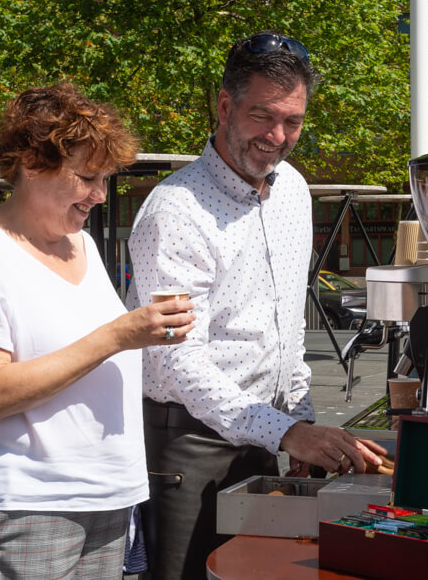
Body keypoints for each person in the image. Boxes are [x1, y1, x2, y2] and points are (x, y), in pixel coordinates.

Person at [128, 32, 385, 579]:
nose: (278, 136)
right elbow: (178, 362)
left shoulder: (293, 189)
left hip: (264, 433)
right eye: (262, 116)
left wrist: (299, 420)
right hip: (190, 445)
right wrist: (287, 431)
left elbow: (288, 324)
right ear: (224, 106)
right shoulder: (174, 211)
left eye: (292, 120)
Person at [0, 83, 196, 580]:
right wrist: (118, 336)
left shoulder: (84, 247)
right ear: (32, 163)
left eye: (106, 179)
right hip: (21, 503)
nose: (100, 194)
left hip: (107, 498)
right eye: (88, 177)